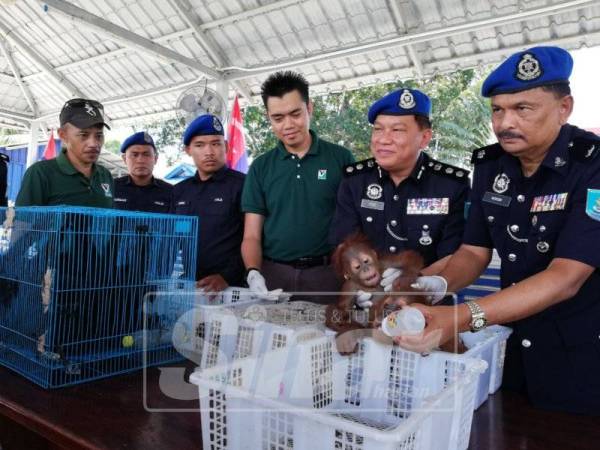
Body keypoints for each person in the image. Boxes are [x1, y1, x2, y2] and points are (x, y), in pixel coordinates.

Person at [395, 46, 600, 415]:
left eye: (523, 109)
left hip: (582, 350)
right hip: (514, 339)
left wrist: (461, 317)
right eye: (497, 110)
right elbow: (474, 252)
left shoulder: (592, 165)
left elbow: (566, 276)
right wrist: (436, 286)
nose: (505, 123)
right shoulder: (491, 167)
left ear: (564, 108)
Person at [330, 88, 469, 292]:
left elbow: (456, 254)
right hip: (367, 297)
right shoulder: (355, 181)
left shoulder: (451, 185)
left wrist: (415, 280)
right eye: (378, 129)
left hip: (427, 299)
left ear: (424, 138)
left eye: (397, 130)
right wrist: (359, 286)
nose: (383, 139)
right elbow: (344, 246)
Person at [241, 70, 355, 303]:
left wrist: (355, 273)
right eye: (278, 118)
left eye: (295, 114)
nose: (288, 125)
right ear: (269, 118)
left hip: (327, 276)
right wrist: (253, 272)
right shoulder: (261, 167)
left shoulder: (340, 158)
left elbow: (354, 226)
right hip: (274, 276)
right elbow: (251, 234)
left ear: (309, 108)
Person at [172, 114, 245, 292]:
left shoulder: (244, 185)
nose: (209, 152)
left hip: (230, 287)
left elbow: (255, 238)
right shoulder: (179, 191)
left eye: (216, 143)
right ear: (188, 150)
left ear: (226, 147)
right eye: (200, 145)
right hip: (190, 285)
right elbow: (173, 238)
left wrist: (227, 276)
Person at [15, 98, 113, 207]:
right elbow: (21, 222)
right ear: (63, 135)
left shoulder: (105, 175)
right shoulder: (40, 173)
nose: (93, 143)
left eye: (99, 136)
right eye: (84, 135)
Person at [113, 131, 172, 213]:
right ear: (124, 159)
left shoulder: (170, 192)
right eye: (135, 155)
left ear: (155, 159)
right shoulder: (111, 188)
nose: (140, 160)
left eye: (146, 154)